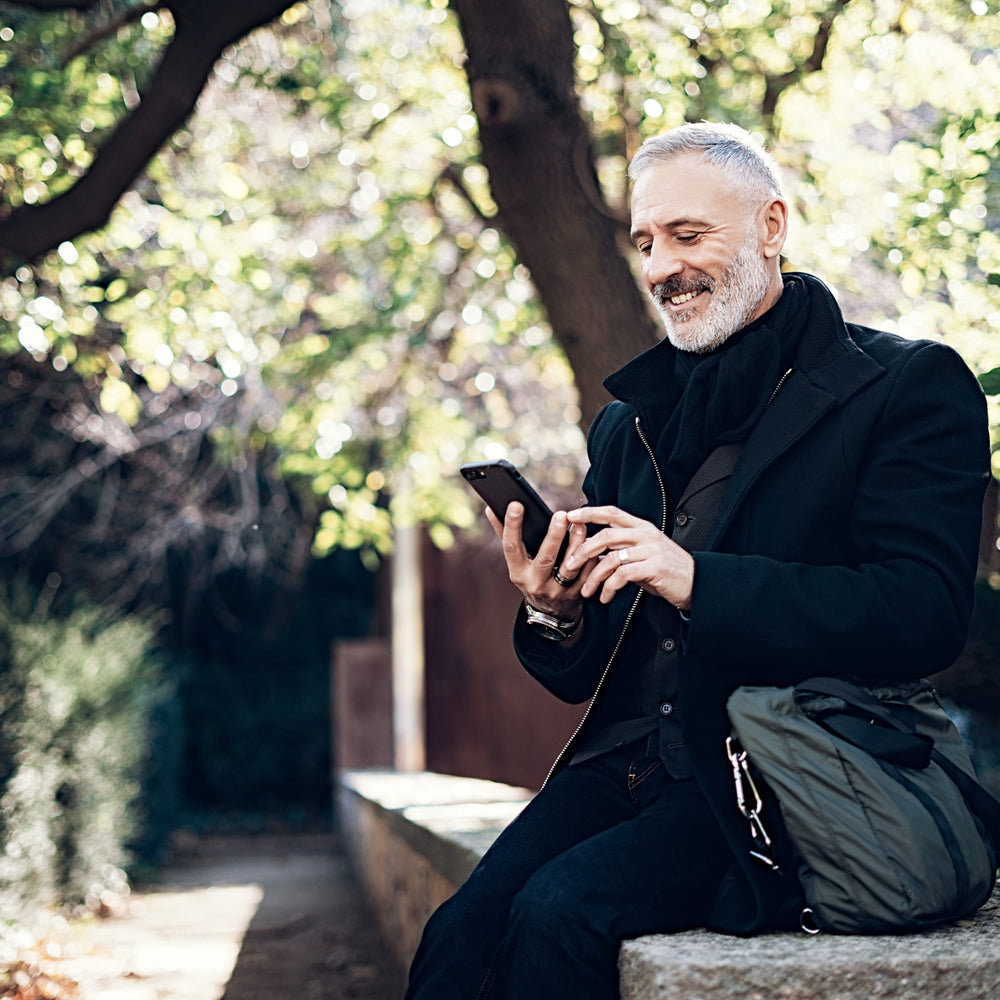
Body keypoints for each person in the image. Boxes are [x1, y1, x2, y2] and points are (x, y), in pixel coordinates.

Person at [404, 122, 990, 999]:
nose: (660, 267)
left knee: (561, 917)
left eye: (688, 234)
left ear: (771, 226)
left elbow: (923, 612)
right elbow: (584, 671)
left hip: (777, 772)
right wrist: (553, 608)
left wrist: (696, 579)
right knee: (454, 939)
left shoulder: (909, 386)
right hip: (622, 764)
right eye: (645, 241)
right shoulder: (626, 422)